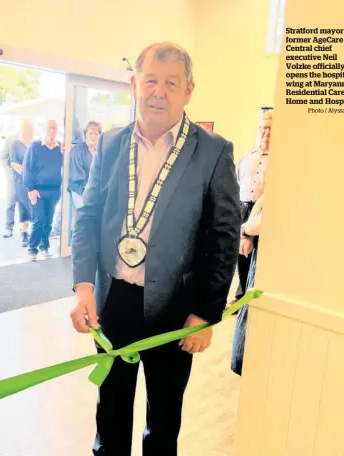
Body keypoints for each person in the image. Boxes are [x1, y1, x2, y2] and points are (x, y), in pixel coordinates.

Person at [70, 42, 241, 456]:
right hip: (113, 301)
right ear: (134, 85)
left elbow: (223, 236)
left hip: (176, 309)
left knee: (163, 420)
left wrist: (206, 313)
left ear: (189, 90)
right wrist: (83, 287)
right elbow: (88, 217)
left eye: (171, 83)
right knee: (109, 411)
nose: (158, 92)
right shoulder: (111, 144)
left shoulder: (213, 152)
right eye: (150, 80)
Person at [232, 108, 272, 303]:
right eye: (263, 129)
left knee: (255, 254)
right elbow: (237, 180)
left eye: (271, 130)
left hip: (261, 211)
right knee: (239, 253)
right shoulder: (247, 156)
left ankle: (250, 296)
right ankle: (240, 296)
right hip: (242, 207)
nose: (266, 133)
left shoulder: (278, 159)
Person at [231, 193, 264, 376]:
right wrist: (246, 234)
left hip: (266, 246)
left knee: (252, 305)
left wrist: (246, 230)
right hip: (253, 230)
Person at [22, 120, 63, 261]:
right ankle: (32, 249)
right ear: (45, 129)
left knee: (49, 221)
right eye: (50, 128)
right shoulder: (35, 146)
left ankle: (44, 247)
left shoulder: (60, 148)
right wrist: (30, 189)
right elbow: (27, 168)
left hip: (54, 191)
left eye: (55, 128)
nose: (53, 130)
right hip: (37, 191)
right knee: (39, 219)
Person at [7, 119, 34, 247]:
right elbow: (13, 162)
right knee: (23, 205)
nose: (27, 131)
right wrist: (25, 173)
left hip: (35, 181)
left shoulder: (35, 143)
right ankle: (24, 234)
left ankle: (35, 232)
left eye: (29, 128)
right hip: (21, 180)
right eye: (25, 128)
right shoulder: (15, 144)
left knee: (34, 205)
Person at [68, 120, 102, 212]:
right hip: (79, 190)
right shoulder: (77, 150)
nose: (93, 137)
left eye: (96, 134)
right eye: (90, 133)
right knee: (84, 215)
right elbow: (77, 176)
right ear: (85, 134)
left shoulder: (100, 151)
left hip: (94, 192)